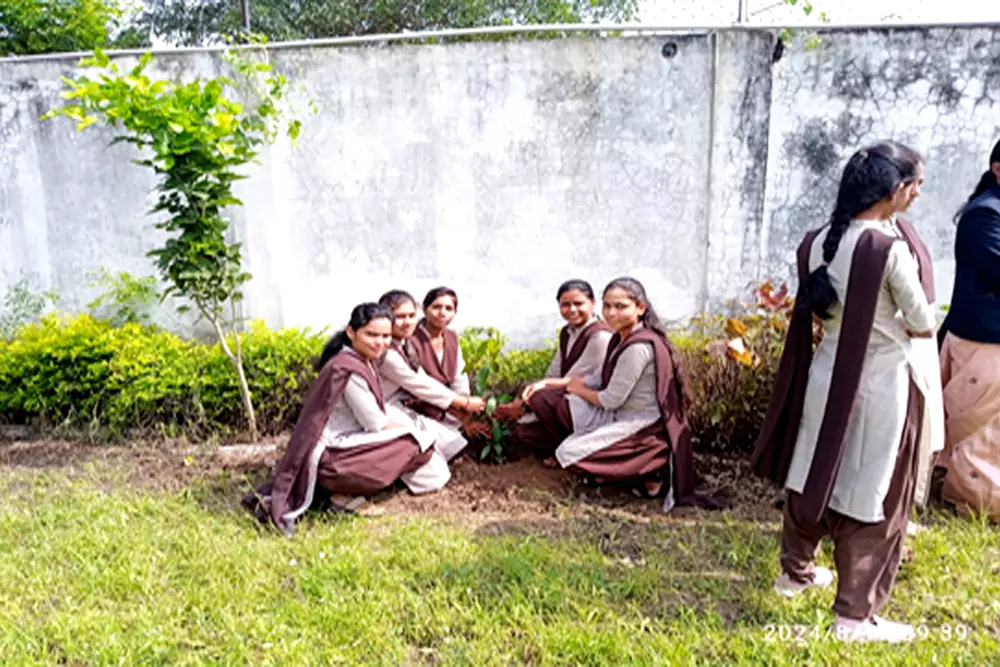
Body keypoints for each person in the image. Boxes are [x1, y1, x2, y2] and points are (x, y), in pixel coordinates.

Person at [751, 141, 939, 642]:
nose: (918, 194)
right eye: (916, 185)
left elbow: (821, 310)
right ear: (895, 189)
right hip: (880, 381)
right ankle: (855, 616)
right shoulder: (888, 249)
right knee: (873, 488)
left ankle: (795, 573)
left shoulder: (817, 241)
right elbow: (922, 323)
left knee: (813, 468)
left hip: (827, 373)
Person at [242, 303, 451, 536]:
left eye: (385, 336)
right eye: (371, 335)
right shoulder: (348, 369)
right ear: (352, 332)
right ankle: (341, 491)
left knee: (417, 439)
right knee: (412, 441)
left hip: (342, 443)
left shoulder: (359, 359)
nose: (380, 342)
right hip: (331, 456)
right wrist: (417, 432)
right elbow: (375, 423)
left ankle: (348, 487)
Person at [524, 277, 715, 507]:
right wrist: (550, 384)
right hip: (617, 413)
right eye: (607, 306)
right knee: (555, 404)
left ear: (640, 308)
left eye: (620, 306)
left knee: (568, 453)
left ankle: (654, 465)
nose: (611, 313)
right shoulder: (620, 337)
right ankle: (615, 470)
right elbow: (598, 379)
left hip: (640, 423)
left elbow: (610, 399)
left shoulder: (638, 347)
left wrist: (578, 389)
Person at [938, 138, 1000, 519]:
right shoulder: (984, 215)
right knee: (976, 431)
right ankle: (972, 503)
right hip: (983, 342)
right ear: (997, 169)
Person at [494, 279, 613, 464]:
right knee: (524, 432)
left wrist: (526, 404)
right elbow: (554, 372)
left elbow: (575, 379)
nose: (572, 310)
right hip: (565, 398)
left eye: (578, 304)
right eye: (565, 305)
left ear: (593, 303)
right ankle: (563, 447)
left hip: (589, 402)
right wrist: (526, 397)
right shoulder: (567, 332)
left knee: (540, 398)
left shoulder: (601, 337)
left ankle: (572, 451)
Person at [377, 289, 486, 462]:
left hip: (439, 402)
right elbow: (418, 385)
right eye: (400, 317)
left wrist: (465, 407)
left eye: (411, 316)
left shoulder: (409, 342)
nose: (442, 313)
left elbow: (453, 377)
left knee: (450, 440)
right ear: (425, 309)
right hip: (399, 405)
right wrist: (464, 404)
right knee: (436, 442)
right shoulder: (393, 347)